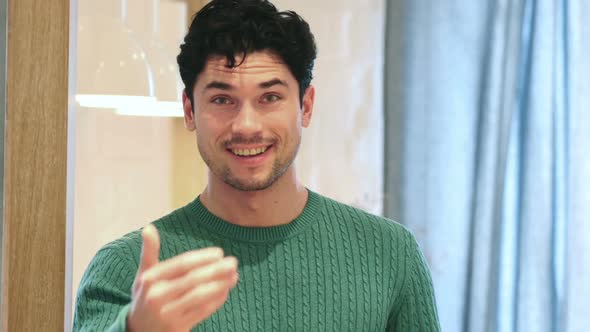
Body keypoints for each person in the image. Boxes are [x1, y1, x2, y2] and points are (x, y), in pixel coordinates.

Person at [73, 0, 441, 331]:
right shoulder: (129, 273)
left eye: (270, 97)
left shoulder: (391, 254)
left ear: (306, 106)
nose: (247, 126)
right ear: (190, 111)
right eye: (222, 99)